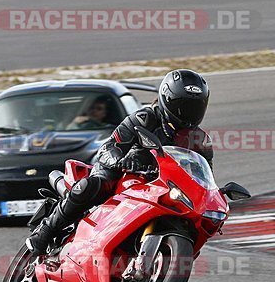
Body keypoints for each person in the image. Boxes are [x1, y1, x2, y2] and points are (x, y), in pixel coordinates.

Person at [26, 69, 214, 257]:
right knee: (93, 186)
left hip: (162, 184)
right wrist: (122, 161)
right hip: (125, 172)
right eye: (184, 105)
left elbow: (203, 175)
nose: (190, 113)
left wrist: (214, 194)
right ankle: (44, 232)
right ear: (167, 99)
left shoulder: (200, 140)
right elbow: (109, 147)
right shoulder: (144, 118)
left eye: (195, 106)